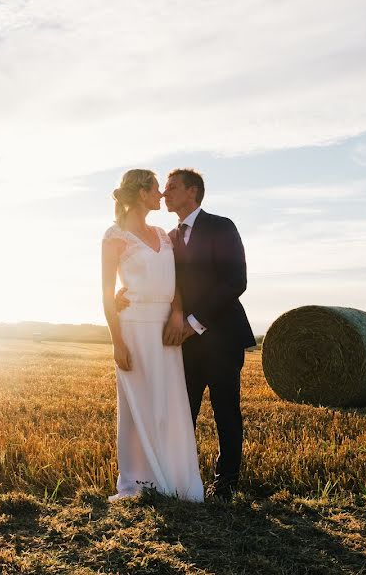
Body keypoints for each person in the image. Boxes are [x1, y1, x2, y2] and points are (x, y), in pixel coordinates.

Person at [119, 168, 255, 500]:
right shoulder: (169, 238)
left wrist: (193, 323)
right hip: (183, 345)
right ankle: (177, 478)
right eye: (162, 188)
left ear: (192, 192)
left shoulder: (221, 226)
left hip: (221, 338)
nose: (164, 194)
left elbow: (236, 280)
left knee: (226, 413)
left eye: (172, 187)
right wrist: (124, 292)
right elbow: (161, 280)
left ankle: (226, 484)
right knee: (181, 413)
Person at [101, 169, 204, 502]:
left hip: (165, 329)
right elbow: (106, 293)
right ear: (141, 192)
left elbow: (175, 284)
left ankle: (175, 479)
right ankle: (137, 482)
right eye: (156, 188)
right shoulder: (114, 237)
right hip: (132, 327)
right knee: (136, 407)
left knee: (169, 403)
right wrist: (117, 342)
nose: (161, 194)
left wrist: (177, 313)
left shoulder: (163, 234)